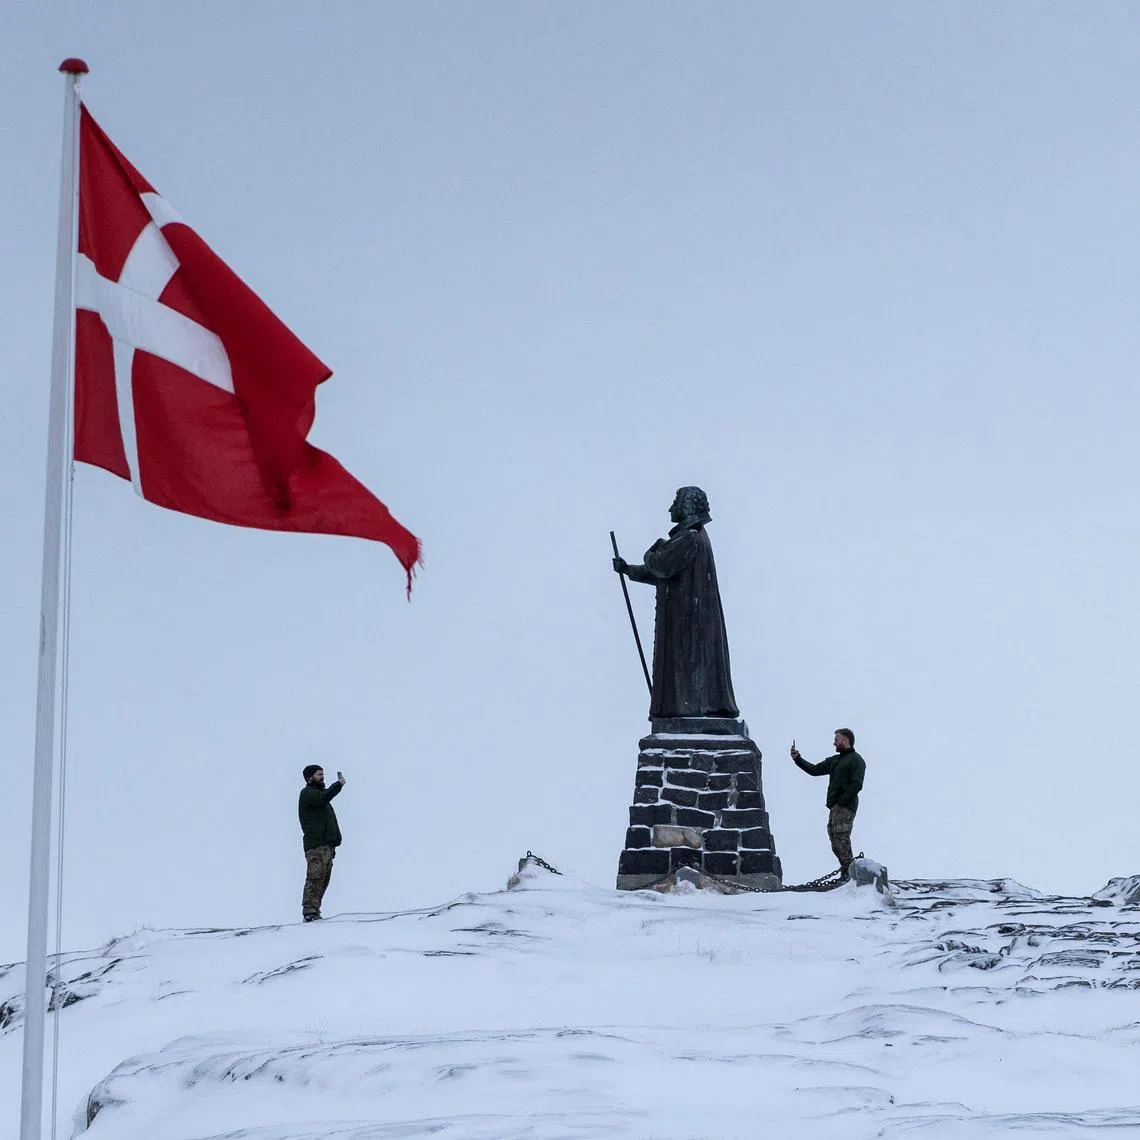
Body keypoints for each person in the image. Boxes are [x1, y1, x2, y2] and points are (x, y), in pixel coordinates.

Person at [612, 486, 738, 720]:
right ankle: (687, 707)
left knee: (686, 665)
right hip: (689, 615)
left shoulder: (689, 537)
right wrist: (629, 570)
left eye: (675, 502)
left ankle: (688, 709)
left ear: (688, 506)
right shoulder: (692, 536)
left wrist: (653, 551)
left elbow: (660, 565)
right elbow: (665, 572)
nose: (671, 508)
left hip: (688, 618)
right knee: (687, 666)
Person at [791, 730, 866, 877]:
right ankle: (847, 871)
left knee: (841, 837)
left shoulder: (856, 760)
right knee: (834, 839)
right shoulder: (835, 760)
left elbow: (857, 784)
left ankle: (851, 874)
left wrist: (841, 800)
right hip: (835, 807)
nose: (834, 743)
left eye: (836, 740)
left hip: (845, 806)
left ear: (845, 740)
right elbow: (815, 770)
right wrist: (798, 759)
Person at [298, 764, 345, 922]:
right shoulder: (308, 794)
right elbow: (323, 798)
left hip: (327, 847)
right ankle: (309, 912)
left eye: (322, 774)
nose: (322, 777)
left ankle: (314, 911)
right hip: (316, 846)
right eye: (319, 774)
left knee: (323, 880)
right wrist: (337, 785)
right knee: (315, 878)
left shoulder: (319, 796)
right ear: (309, 777)